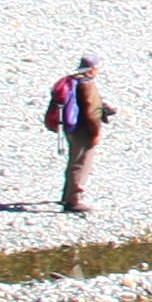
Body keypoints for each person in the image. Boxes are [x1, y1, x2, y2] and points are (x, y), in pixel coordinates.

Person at [42, 56, 110, 214]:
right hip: (83, 130)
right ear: (92, 69)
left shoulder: (72, 80)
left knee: (74, 160)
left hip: (70, 127)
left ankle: (67, 195)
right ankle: (74, 201)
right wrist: (95, 133)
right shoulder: (86, 84)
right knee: (81, 163)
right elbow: (90, 111)